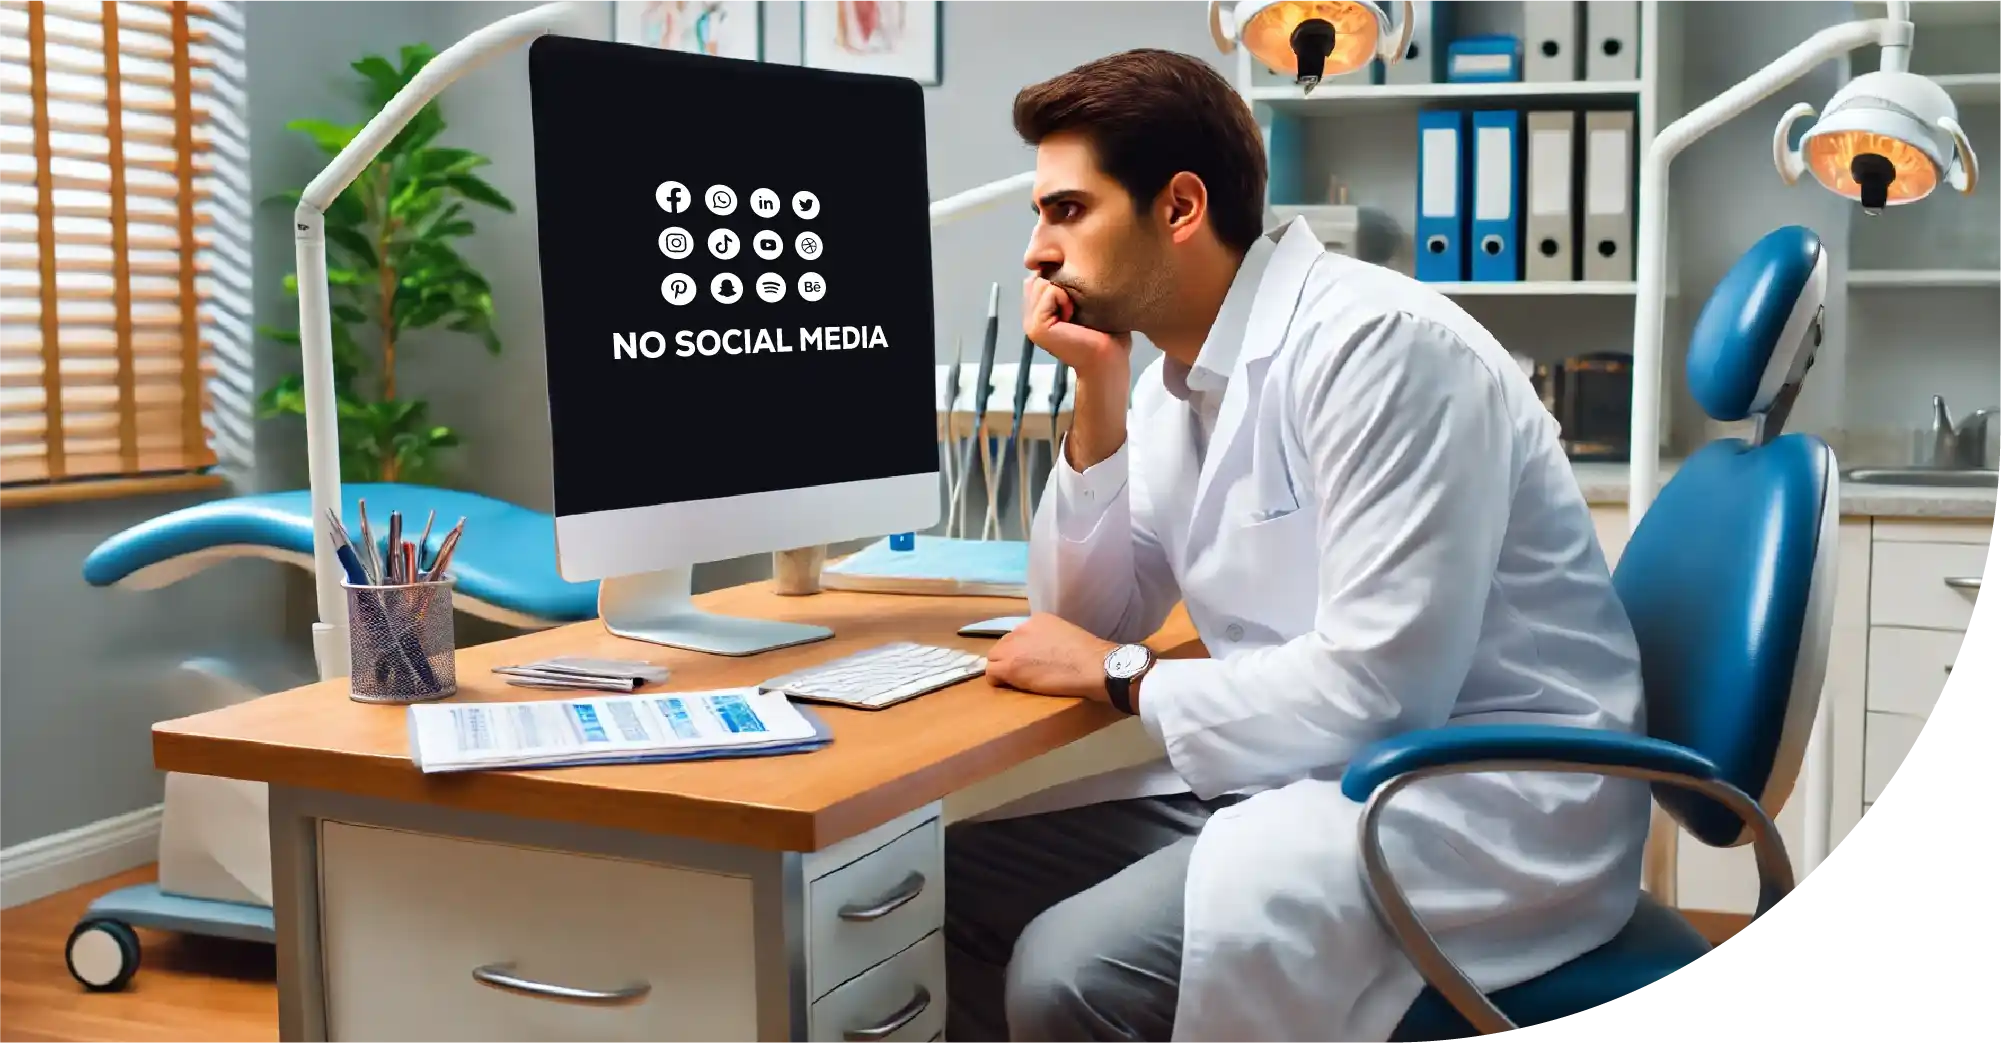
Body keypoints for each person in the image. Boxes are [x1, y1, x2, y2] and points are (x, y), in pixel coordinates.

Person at [943, 49, 1654, 1044]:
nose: (1035, 252)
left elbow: (1379, 693)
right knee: (940, 888)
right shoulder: (1171, 385)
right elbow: (1086, 615)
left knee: (1069, 977)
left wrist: (1122, 676)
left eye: (1065, 211)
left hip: (1466, 800)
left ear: (1180, 207)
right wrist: (1096, 395)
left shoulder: (1381, 349)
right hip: (1296, 769)